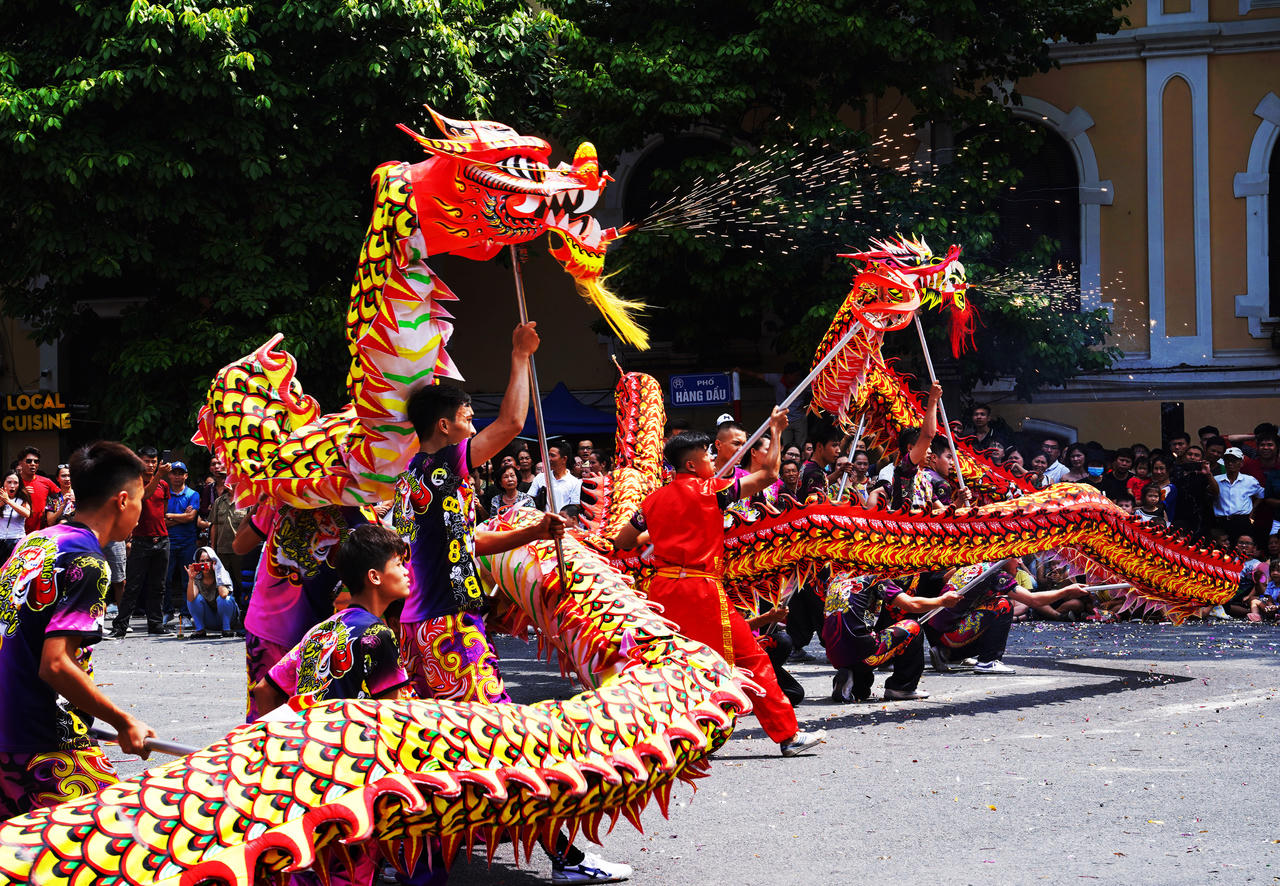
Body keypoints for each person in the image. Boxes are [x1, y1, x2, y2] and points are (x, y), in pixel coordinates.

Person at [394, 325, 629, 884]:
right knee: (508, 744)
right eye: (466, 413)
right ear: (445, 426)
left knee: (441, 746)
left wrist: (531, 533)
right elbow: (513, 423)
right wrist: (519, 355)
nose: (473, 420)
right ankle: (565, 858)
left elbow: (467, 542)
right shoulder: (444, 465)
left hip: (421, 629)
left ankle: (420, 857)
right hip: (450, 632)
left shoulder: (413, 480)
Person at [612, 410, 823, 758]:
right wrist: (775, 429)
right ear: (691, 465)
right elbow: (770, 474)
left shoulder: (652, 500)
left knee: (675, 666)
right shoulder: (712, 490)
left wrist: (661, 534)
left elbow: (623, 541)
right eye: (707, 455)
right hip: (701, 591)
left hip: (662, 592)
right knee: (752, 658)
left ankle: (677, 738)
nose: (712, 459)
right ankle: (787, 735)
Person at [252, 524, 427, 886]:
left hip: (302, 776)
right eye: (399, 564)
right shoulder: (377, 635)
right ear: (375, 576)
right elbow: (393, 716)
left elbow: (264, 690)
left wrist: (278, 744)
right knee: (349, 873)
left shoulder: (320, 631)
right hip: (351, 783)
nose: (407, 571)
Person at [0, 441, 156, 818]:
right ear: (122, 500)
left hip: (8, 730)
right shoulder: (88, 562)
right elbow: (55, 664)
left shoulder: (34, 541)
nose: (141, 510)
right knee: (118, 829)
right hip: (42, 740)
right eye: (140, 499)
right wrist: (123, 722)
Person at [824, 570, 963, 703]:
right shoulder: (876, 577)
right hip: (862, 652)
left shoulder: (837, 578)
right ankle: (902, 687)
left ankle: (851, 681)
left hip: (834, 653)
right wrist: (942, 601)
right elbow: (911, 604)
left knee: (861, 692)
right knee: (913, 626)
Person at [110, 446, 172, 638]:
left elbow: (163, 511)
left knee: (158, 586)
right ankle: (120, 626)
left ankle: (155, 624)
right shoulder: (133, 482)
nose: (151, 465)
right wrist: (159, 475)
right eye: (147, 461)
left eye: (154, 461)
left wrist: (159, 477)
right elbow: (144, 496)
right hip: (141, 540)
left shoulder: (164, 485)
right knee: (133, 586)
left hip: (162, 540)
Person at [163, 462, 204, 628]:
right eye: (174, 473)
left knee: (188, 579)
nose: (177, 476)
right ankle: (167, 612)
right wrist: (182, 517)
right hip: (168, 542)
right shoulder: (165, 494)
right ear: (169, 475)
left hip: (188, 542)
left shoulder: (193, 494)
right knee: (165, 579)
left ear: (186, 476)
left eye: (181, 473)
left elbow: (191, 518)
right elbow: (162, 521)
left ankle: (186, 614)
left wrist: (171, 516)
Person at [891, 381, 943, 510]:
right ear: (910, 448)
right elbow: (928, 435)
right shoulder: (905, 468)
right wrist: (933, 400)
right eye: (926, 447)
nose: (930, 451)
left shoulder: (925, 480)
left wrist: (960, 499)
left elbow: (942, 513)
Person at [183, 546, 239, 639]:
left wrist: (217, 572)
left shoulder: (222, 573)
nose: (205, 563)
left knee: (224, 599)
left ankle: (226, 629)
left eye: (208, 560)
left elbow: (224, 594)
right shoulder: (197, 577)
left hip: (227, 617)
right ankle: (200, 630)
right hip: (209, 620)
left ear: (214, 561)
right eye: (202, 561)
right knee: (195, 599)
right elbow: (190, 599)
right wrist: (191, 579)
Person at [1209, 447, 1263, 543]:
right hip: (1221, 522)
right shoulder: (1216, 480)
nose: (1230, 463)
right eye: (1227, 460)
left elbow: (1261, 494)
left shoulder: (1249, 481)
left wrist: (1253, 510)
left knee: (1242, 548)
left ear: (1241, 463)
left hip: (1242, 522)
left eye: (1234, 461)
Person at [527, 441, 583, 510]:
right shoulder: (540, 477)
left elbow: (575, 506)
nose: (548, 459)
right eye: (548, 455)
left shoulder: (575, 482)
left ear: (564, 459)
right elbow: (529, 499)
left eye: (552, 455)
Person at [15, 447, 59, 534]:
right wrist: (19, 492)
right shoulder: (13, 482)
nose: (33, 464)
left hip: (41, 532)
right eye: (29, 461)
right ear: (20, 463)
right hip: (17, 534)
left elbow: (60, 496)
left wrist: (50, 511)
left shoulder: (46, 482)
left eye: (36, 461)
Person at [0, 473, 31, 564]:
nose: (12, 486)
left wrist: (8, 501)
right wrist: (2, 502)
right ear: (3, 483)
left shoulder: (23, 498)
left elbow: (27, 514)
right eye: (9, 482)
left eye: (15, 483)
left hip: (17, 539)